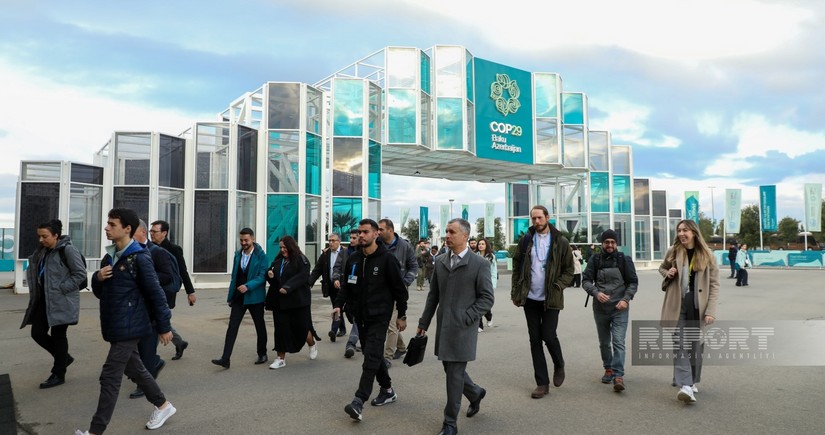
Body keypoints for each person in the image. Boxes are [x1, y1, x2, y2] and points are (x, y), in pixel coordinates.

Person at [77, 208, 176, 434]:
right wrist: (97, 277)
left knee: (110, 376)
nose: (106, 228)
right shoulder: (110, 256)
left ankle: (94, 431)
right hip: (115, 325)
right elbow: (102, 292)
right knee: (137, 369)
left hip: (131, 326)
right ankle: (163, 405)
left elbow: (156, 293)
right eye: (107, 223)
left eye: (112, 224)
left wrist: (164, 326)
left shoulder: (140, 258)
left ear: (127, 229)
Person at [418, 219, 494, 435]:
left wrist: (467, 316)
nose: (447, 236)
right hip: (444, 327)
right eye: (446, 232)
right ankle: (475, 392)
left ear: (465, 236)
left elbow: (487, 298)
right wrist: (423, 323)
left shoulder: (480, 264)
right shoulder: (441, 261)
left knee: (454, 374)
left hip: (463, 328)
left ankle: (450, 423)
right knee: (450, 369)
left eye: (452, 232)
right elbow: (433, 297)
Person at [333, 219, 408, 422]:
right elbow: (347, 287)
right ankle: (387, 390)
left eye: (366, 232)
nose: (361, 235)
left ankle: (359, 401)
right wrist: (339, 305)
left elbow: (400, 290)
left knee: (370, 358)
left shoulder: (387, 259)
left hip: (380, 316)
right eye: (360, 232)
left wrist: (402, 314)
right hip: (361, 317)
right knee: (371, 354)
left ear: (376, 234)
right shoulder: (354, 259)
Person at [511, 205, 574, 399]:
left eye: (539, 218)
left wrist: (558, 286)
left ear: (547, 217)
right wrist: (516, 291)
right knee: (535, 340)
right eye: (533, 219)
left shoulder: (560, 241)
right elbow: (517, 266)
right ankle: (542, 383)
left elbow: (569, 270)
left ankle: (559, 363)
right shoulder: (526, 240)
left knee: (548, 335)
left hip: (551, 298)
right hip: (530, 298)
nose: (536, 222)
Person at [659, 219, 720, 404]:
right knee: (679, 343)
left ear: (694, 232)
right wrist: (667, 273)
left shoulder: (708, 255)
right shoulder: (674, 251)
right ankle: (685, 385)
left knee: (695, 345)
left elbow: (715, 285)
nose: (681, 233)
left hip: (698, 305)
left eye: (685, 230)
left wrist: (710, 311)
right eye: (679, 230)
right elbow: (662, 268)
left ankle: (691, 380)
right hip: (677, 303)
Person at [21, 219, 85, 389]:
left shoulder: (68, 250)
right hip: (43, 300)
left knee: (58, 335)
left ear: (56, 235)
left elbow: (80, 274)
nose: (41, 240)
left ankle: (58, 373)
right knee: (37, 333)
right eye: (39, 236)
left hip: (62, 301)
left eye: (45, 236)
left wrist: (62, 288)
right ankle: (64, 358)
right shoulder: (42, 251)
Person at [581, 229, 638, 392]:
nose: (610, 245)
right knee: (605, 343)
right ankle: (609, 369)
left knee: (618, 341)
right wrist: (596, 293)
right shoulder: (595, 259)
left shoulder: (624, 260)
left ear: (616, 243)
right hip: (600, 309)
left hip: (620, 308)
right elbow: (585, 281)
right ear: (602, 244)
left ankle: (618, 375)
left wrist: (626, 299)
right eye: (607, 242)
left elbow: (633, 282)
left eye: (613, 242)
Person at [129, 220, 177, 399]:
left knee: (147, 350)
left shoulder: (158, 252)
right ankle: (153, 365)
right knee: (135, 350)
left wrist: (145, 275)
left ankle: (146, 386)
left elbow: (167, 276)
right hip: (133, 310)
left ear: (140, 232)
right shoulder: (126, 252)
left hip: (151, 309)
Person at [211, 228, 268, 369]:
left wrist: (248, 286)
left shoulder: (261, 256)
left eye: (246, 240)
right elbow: (234, 277)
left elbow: (262, 276)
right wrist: (231, 296)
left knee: (259, 326)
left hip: (255, 297)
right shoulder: (237, 255)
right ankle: (225, 358)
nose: (243, 243)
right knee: (232, 327)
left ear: (253, 239)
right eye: (241, 240)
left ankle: (262, 353)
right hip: (238, 297)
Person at [265, 236, 316, 369]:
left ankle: (311, 343)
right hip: (280, 303)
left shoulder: (302, 260)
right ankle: (280, 358)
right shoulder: (278, 260)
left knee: (301, 327)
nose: (282, 250)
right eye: (280, 247)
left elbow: (302, 277)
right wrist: (269, 275)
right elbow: (272, 275)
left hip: (298, 301)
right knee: (280, 329)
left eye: (284, 247)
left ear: (291, 247)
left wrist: (288, 287)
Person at [150, 220, 197, 360]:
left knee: (157, 319)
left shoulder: (173, 249)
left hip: (167, 290)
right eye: (151, 231)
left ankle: (148, 355)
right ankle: (179, 343)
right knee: (158, 319)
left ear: (164, 233)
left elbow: (183, 270)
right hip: (154, 288)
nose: (151, 234)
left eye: (154, 232)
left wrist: (190, 292)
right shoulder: (149, 247)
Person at [377, 218, 418, 365]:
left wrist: (405, 282)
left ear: (390, 230)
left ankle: (387, 357)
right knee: (391, 322)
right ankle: (400, 347)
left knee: (391, 324)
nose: (378, 232)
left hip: (398, 291)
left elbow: (414, 266)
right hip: (381, 291)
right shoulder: (377, 245)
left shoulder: (405, 246)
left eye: (381, 229)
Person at [309, 233, 348, 341]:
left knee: (339, 307)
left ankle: (333, 330)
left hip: (343, 286)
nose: (330, 243)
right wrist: (309, 283)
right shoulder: (325, 254)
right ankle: (342, 328)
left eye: (333, 240)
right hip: (331, 286)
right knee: (337, 306)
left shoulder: (346, 253)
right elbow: (317, 270)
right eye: (329, 240)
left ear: (339, 241)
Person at [476, 238, 497, 331]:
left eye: (482, 244)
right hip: (476, 283)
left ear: (486, 245)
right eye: (479, 244)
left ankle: (489, 316)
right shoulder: (474, 256)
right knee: (476, 302)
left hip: (487, 282)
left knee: (484, 302)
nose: (480, 245)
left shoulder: (491, 256)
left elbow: (494, 271)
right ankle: (479, 325)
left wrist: (492, 284)